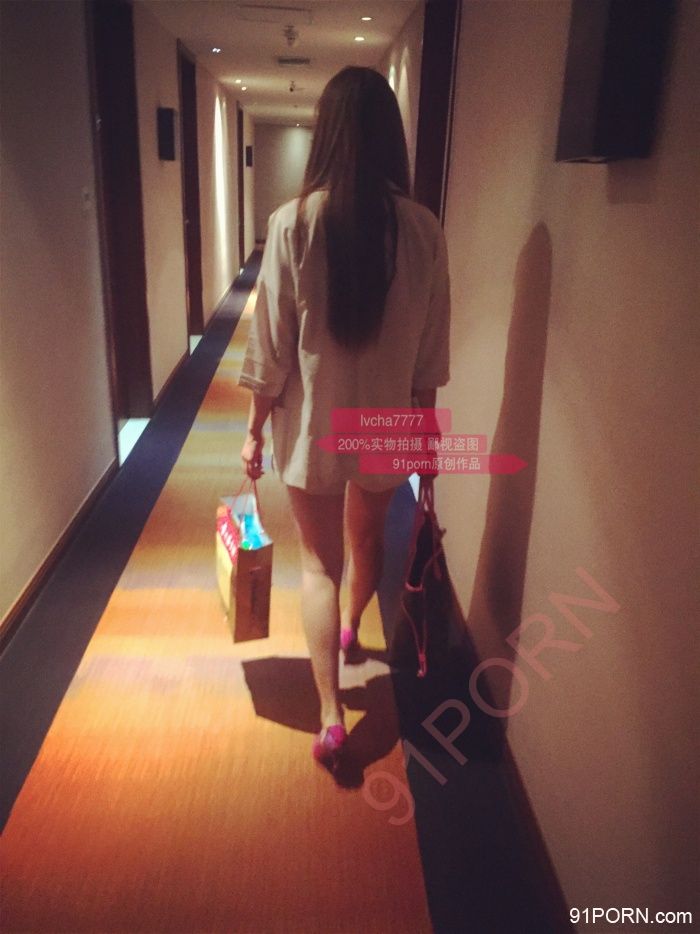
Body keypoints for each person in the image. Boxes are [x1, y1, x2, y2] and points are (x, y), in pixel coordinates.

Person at [238, 66, 450, 771]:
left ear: (326, 134)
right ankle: (355, 627)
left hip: (312, 427)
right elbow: (429, 355)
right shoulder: (422, 229)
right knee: (367, 543)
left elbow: (270, 346)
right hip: (386, 425)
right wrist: (426, 435)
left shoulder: (292, 224)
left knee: (318, 565)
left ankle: (331, 717)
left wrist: (252, 429)